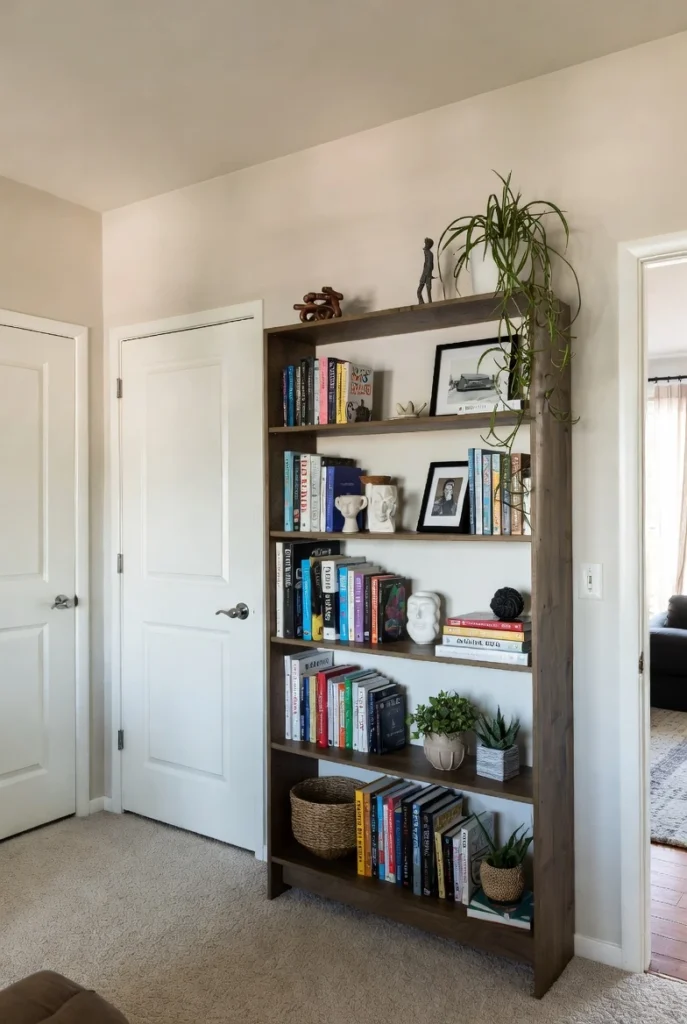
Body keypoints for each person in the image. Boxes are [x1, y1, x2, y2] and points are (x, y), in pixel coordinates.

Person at [417, 237, 434, 304]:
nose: (425, 245)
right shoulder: (427, 253)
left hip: (426, 274)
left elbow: (430, 264)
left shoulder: (429, 253)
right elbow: (430, 265)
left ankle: (428, 303)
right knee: (420, 291)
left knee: (427, 290)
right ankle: (422, 304)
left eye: (426, 243)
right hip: (425, 273)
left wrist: (428, 274)